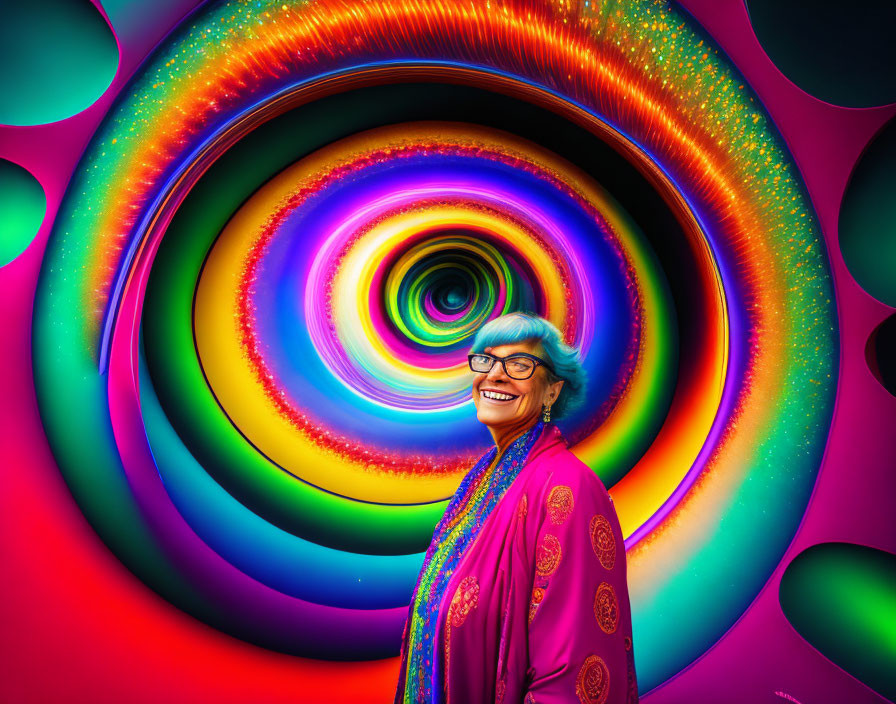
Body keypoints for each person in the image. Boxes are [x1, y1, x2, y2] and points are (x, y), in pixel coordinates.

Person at [394, 312, 637, 704]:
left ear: (552, 391)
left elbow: (572, 664)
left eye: (520, 364)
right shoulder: (485, 477)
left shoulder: (566, 487)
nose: (495, 375)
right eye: (486, 360)